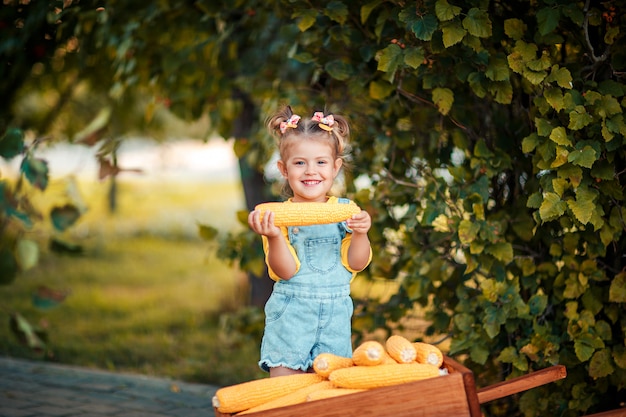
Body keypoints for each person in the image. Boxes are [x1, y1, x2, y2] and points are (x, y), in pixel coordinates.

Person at [248, 106, 372, 378]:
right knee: (286, 390)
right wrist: (274, 236)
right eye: (300, 163)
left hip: (335, 320)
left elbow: (357, 263)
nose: (310, 171)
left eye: (320, 162)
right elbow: (286, 272)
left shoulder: (345, 210)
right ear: (283, 169)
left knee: (328, 394)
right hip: (292, 316)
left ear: (335, 167)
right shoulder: (278, 218)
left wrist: (361, 233)